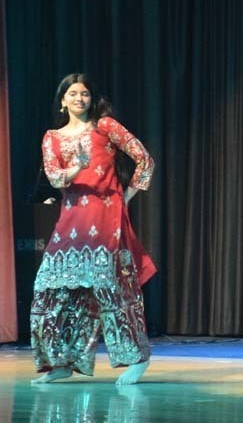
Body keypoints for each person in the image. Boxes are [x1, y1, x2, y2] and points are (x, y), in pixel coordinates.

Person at [30, 73, 156, 385]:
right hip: (71, 219)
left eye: (85, 94)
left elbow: (144, 160)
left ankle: (136, 358)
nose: (79, 99)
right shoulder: (52, 137)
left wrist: (124, 197)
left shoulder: (106, 126)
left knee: (109, 288)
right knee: (49, 289)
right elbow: (54, 178)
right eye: (73, 93)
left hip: (104, 218)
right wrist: (78, 166)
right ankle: (61, 362)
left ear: (91, 99)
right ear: (63, 100)